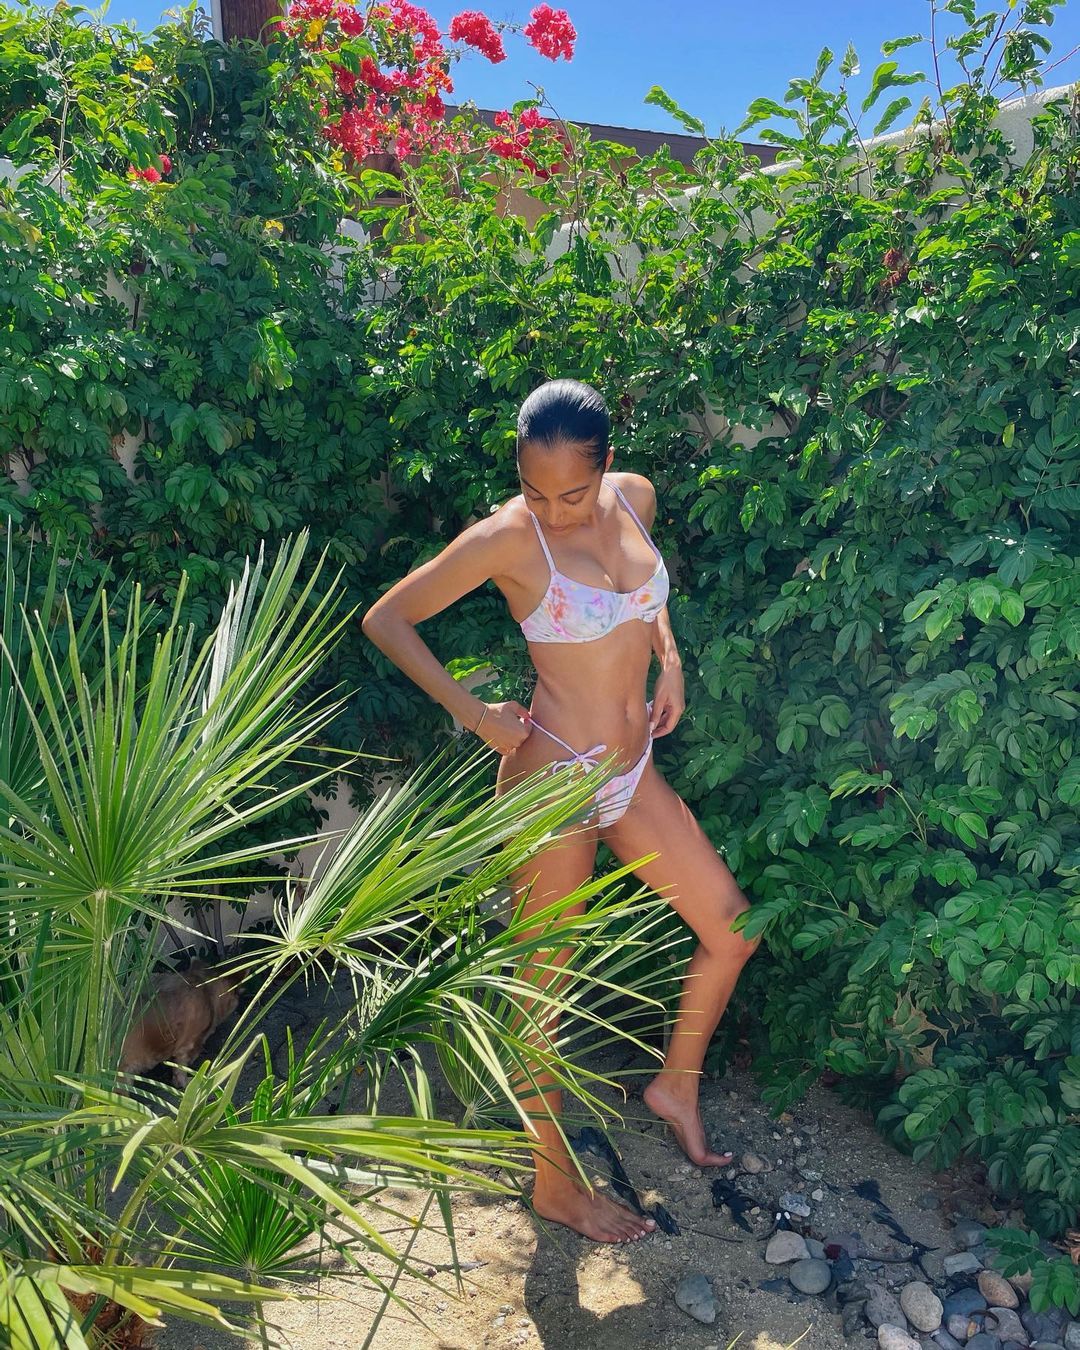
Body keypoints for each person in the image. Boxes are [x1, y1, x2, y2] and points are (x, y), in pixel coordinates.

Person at [361, 378, 760, 1243]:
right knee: (543, 994)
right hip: (554, 781)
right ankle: (552, 1185)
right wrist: (476, 716)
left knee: (733, 930)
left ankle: (675, 1085)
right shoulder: (509, 537)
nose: (553, 511)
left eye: (572, 494)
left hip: (631, 770)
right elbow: (387, 620)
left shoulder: (635, 499)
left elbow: (646, 601)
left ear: (607, 465)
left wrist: (671, 660)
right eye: (534, 490)